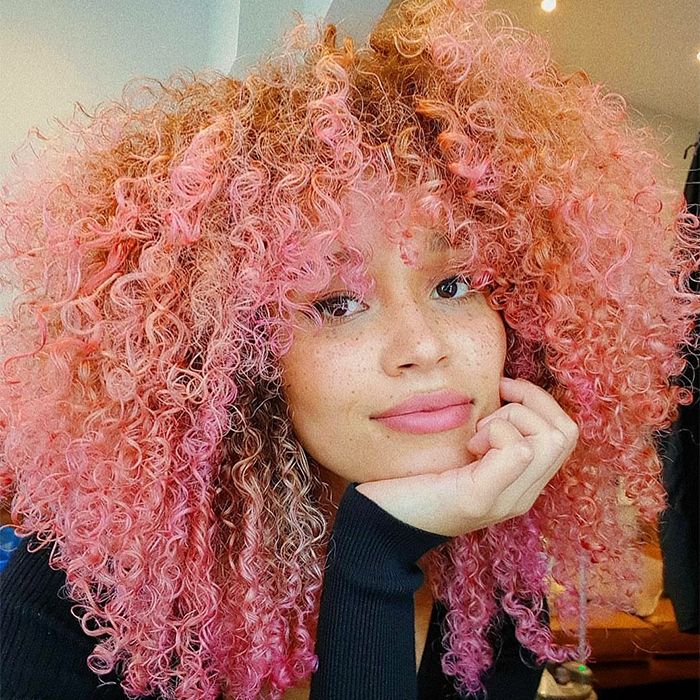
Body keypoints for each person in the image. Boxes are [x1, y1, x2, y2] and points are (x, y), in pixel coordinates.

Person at [0, 0, 697, 698]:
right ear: (235, 360)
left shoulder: (491, 574)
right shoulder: (83, 603)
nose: (423, 347)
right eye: (337, 304)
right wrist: (376, 555)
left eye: (454, 283)